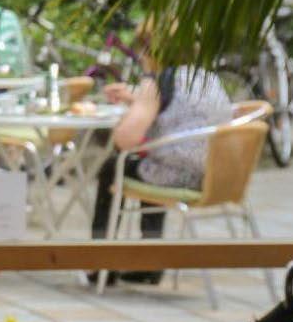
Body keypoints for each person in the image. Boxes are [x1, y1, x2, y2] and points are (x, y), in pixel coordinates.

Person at [91, 50, 232, 276]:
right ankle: (150, 263)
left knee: (114, 167)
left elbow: (125, 139)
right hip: (212, 175)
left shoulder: (157, 82)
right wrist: (136, 97)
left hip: (179, 176)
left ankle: (100, 263)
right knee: (150, 162)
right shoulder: (206, 77)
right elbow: (179, 106)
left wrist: (141, 98)